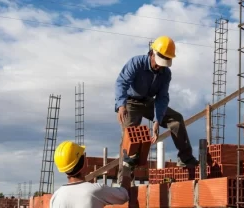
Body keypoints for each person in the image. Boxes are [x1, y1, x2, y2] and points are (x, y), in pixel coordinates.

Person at [114, 35, 199, 172]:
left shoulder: (166, 73)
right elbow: (121, 83)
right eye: (158, 62)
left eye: (164, 63)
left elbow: (162, 98)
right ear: (152, 54)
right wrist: (121, 105)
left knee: (176, 120)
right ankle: (124, 179)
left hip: (148, 101)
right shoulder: (136, 63)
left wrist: (156, 121)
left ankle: (185, 159)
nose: (160, 66)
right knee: (130, 139)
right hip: (130, 102)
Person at [49, 141, 138, 208]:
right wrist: (127, 167)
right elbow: (123, 195)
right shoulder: (95, 191)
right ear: (84, 163)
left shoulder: (56, 197)